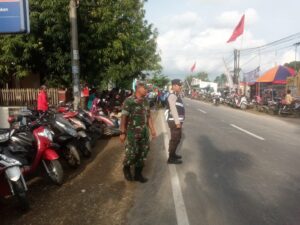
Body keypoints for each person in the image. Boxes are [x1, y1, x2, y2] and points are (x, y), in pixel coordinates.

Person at [119, 81, 156, 183]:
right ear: (138, 88)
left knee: (143, 153)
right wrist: (122, 132)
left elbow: (148, 117)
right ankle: (126, 168)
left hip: (144, 132)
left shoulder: (145, 101)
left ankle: (138, 175)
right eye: (145, 88)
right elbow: (123, 117)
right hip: (132, 132)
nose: (147, 90)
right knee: (132, 153)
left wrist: (152, 129)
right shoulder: (129, 101)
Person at [166, 79, 185, 164]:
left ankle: (173, 154)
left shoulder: (176, 95)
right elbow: (173, 109)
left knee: (177, 138)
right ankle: (171, 158)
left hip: (176, 122)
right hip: (174, 122)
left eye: (180, 85)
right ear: (173, 86)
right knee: (174, 139)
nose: (180, 87)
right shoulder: (172, 95)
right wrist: (177, 122)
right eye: (178, 85)